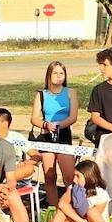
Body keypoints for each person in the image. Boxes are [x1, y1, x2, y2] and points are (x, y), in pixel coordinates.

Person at [29, 61, 78, 206]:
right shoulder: (41, 95)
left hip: (63, 135)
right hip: (46, 136)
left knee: (69, 175)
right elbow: (34, 118)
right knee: (50, 175)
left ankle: (71, 205)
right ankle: (53, 206)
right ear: (49, 75)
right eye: (55, 73)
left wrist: (58, 126)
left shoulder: (71, 93)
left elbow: (73, 117)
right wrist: (45, 124)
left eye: (61, 73)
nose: (58, 76)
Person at [46, 159, 112, 222]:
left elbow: (92, 217)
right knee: (61, 211)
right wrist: (80, 221)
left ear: (88, 176)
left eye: (78, 176)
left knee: (91, 212)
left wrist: (80, 219)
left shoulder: (101, 194)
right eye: (74, 176)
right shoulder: (73, 188)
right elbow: (62, 204)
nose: (74, 179)